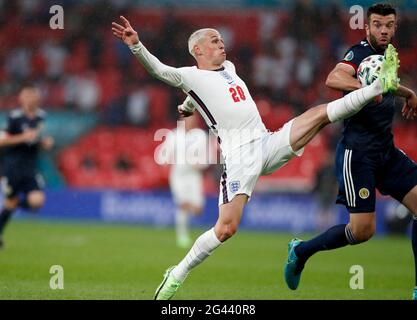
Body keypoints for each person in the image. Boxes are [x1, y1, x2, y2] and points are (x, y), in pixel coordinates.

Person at [111, 15, 399, 300]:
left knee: (320, 114)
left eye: (222, 40)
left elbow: (207, 92)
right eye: (214, 41)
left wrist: (188, 105)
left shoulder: (229, 67)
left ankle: (375, 88)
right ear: (198, 50)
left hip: (266, 142)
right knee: (226, 229)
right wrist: (136, 46)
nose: (221, 44)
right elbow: (159, 70)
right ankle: (177, 274)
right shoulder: (189, 75)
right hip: (237, 157)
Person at [284, 3, 417, 300]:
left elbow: (387, 84)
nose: (384, 30)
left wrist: (407, 93)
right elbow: (334, 78)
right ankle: (301, 250)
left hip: (386, 150)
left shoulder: (388, 55)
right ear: (367, 27)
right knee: (362, 231)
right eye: (378, 25)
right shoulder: (358, 54)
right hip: (358, 154)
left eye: (389, 25)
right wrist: (363, 87)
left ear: (395, 27)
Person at [0, 85, 54, 248]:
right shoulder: (14, 117)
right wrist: (23, 137)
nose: (30, 98)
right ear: (21, 98)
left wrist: (44, 143)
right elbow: (2, 141)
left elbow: (37, 139)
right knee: (10, 203)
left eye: (33, 95)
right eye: (27, 95)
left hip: (30, 168)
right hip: (12, 168)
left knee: (37, 201)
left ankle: (13, 205)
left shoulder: (41, 117)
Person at [156, 113, 210, 249]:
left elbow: (207, 159)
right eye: (187, 119)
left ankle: (191, 233)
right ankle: (182, 236)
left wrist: (200, 164)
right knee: (183, 205)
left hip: (194, 176)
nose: (190, 122)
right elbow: (162, 153)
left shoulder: (201, 136)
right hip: (178, 175)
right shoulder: (173, 135)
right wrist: (165, 160)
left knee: (198, 209)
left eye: (193, 119)